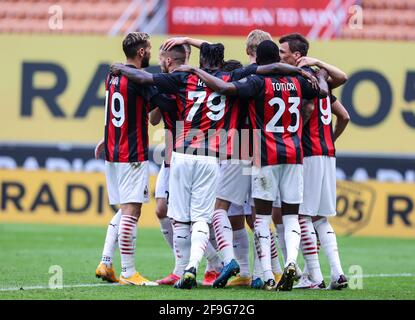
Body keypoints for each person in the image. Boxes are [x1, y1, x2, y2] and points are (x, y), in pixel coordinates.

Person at [177, 40, 325, 291]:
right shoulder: (298, 80)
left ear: (255, 58)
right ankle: (285, 267)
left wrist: (192, 69)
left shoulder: (252, 81)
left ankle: (252, 269)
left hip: (249, 149)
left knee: (228, 210)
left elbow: (224, 87)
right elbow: (322, 93)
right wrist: (316, 71)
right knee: (280, 215)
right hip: (291, 153)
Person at [277, 33, 350, 290]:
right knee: (320, 218)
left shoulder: (299, 80)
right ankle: (338, 274)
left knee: (301, 216)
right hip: (326, 153)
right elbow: (345, 116)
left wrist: (294, 137)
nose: (280, 55)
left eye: (283, 51)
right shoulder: (320, 79)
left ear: (298, 56)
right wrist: (329, 140)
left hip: (307, 153)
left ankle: (314, 277)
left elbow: (307, 110)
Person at [94, 32, 161, 286]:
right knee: (132, 211)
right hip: (132, 153)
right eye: (150, 49)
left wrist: (106, 136)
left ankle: (106, 263)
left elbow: (113, 108)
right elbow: (156, 113)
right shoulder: (140, 80)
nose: (151, 53)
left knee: (124, 209)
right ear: (142, 52)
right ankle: (129, 271)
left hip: (112, 150)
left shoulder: (112, 75)